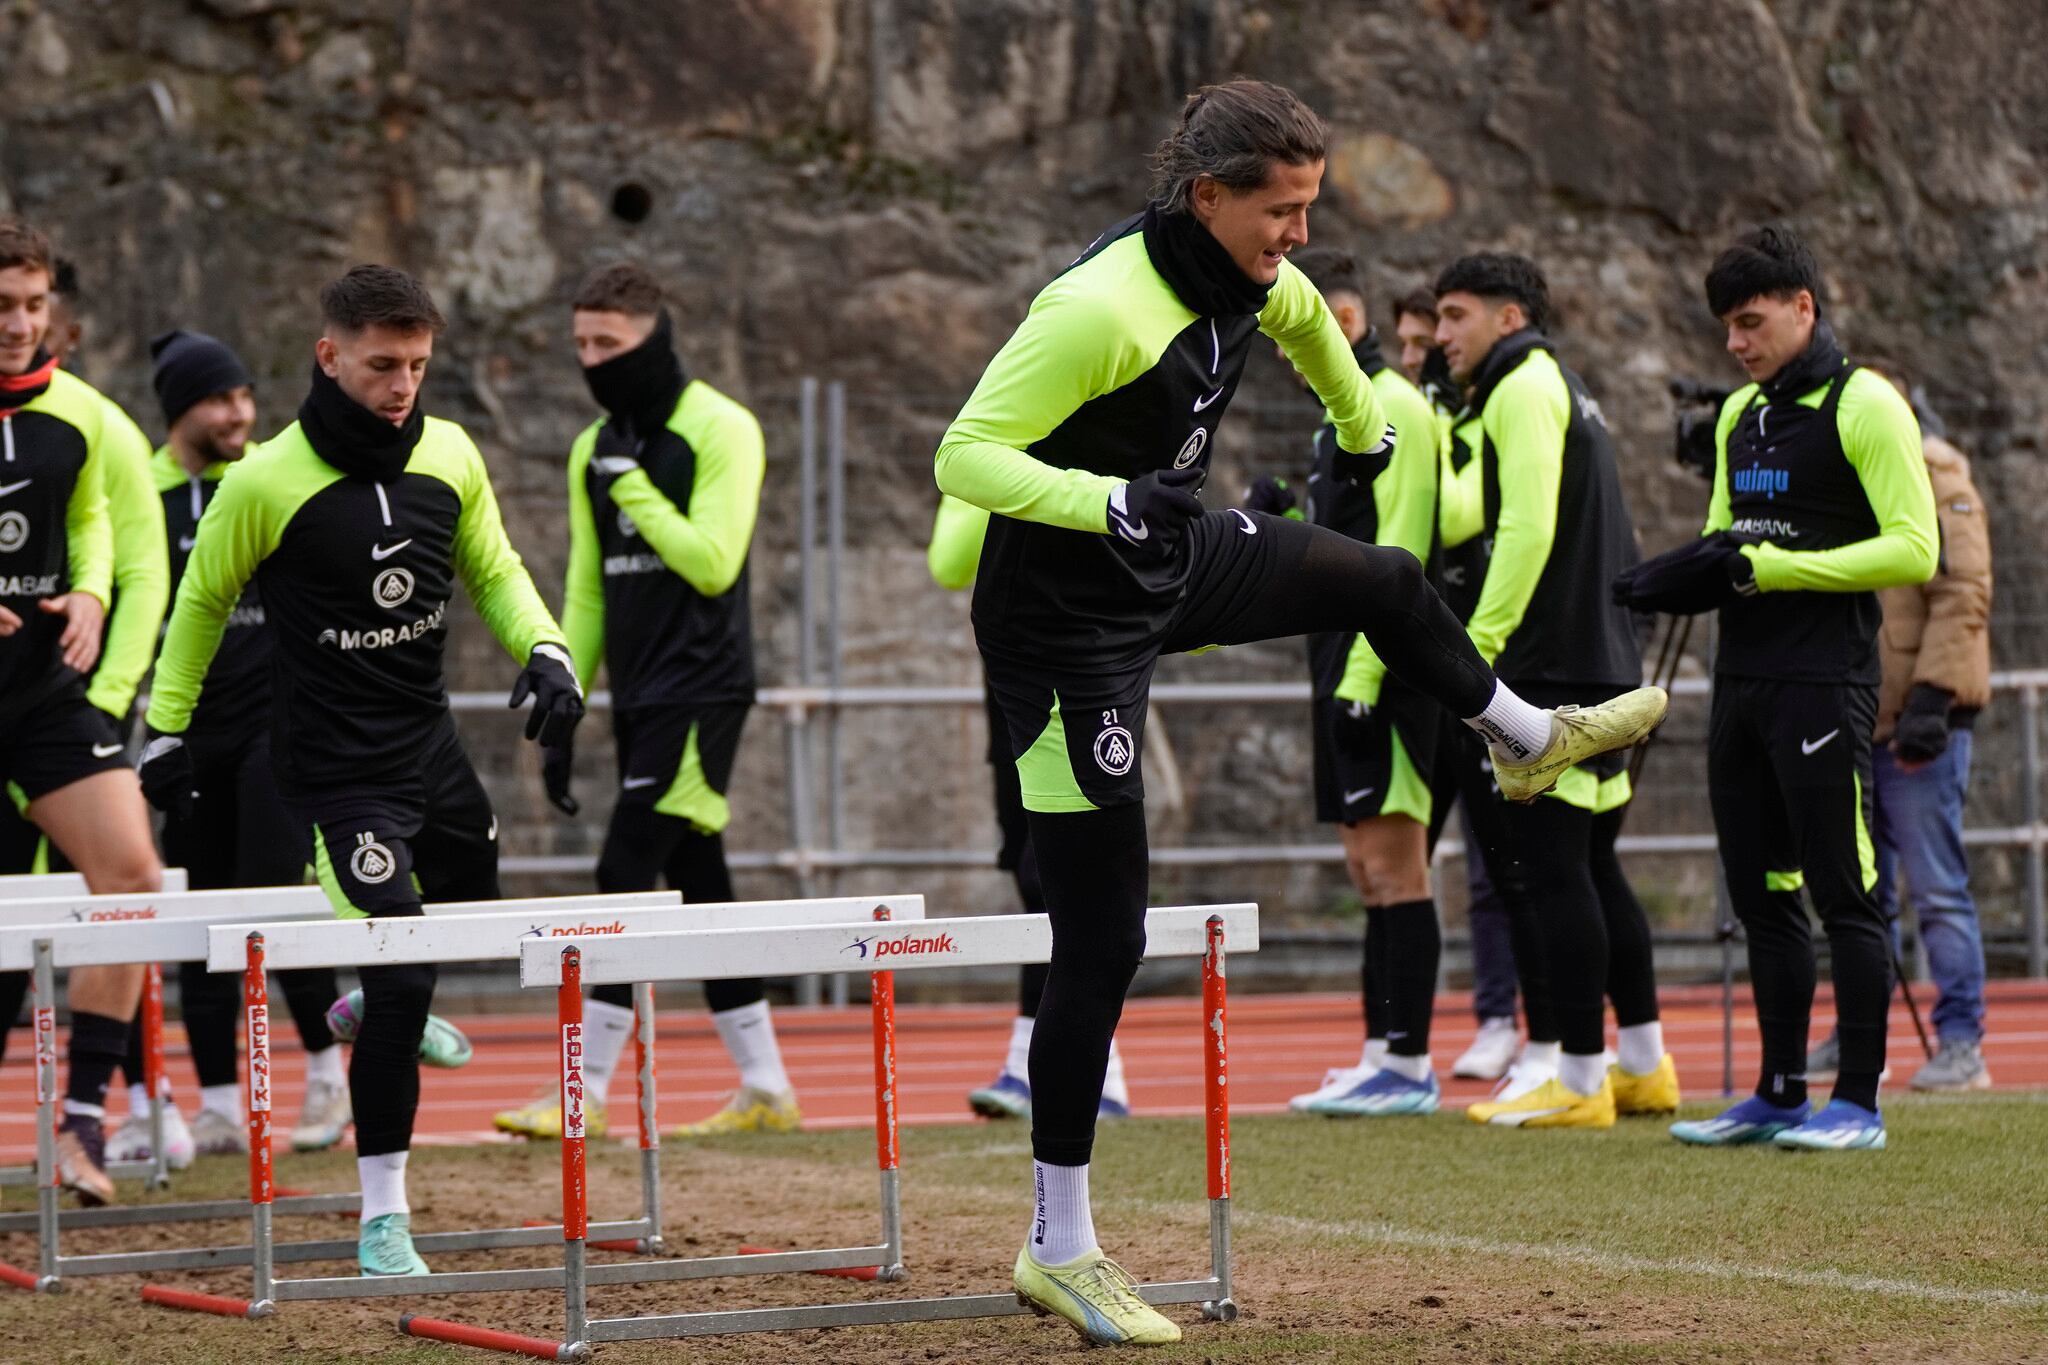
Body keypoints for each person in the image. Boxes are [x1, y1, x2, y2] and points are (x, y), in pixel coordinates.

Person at [934, 81, 1665, 1344]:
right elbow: (962, 457)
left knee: (1379, 576)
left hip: (1167, 562)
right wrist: (1100, 503)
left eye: (1308, 210)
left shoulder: (1255, 280)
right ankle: (1059, 1244)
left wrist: (1363, 428)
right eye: (1278, 211)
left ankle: (1528, 739)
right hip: (1061, 632)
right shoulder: (1097, 309)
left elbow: (1311, 335)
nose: (1297, 237)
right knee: (1101, 934)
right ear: (1204, 197)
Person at [142, 265, 584, 1273]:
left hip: (427, 748)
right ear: (328, 356)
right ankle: (383, 1213)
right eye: (381, 366)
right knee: (404, 974)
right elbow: (202, 603)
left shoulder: (453, 454)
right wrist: (165, 731)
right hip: (334, 776)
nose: (400, 386)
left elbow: (495, 568)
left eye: (418, 366)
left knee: (474, 891)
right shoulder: (265, 481)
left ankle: (364, 1006)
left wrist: (545, 650)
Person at [1643, 226, 1936, 1151]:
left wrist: (1775, 569)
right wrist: (1658, 579)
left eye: (1751, 320)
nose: (1736, 341)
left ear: (1804, 308)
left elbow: (1915, 547)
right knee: (1761, 893)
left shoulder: (1868, 404)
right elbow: (1727, 542)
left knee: (1844, 889)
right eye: (1726, 326)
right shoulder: (1739, 417)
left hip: (1825, 682)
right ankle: (1776, 1090)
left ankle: (1857, 1101)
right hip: (1741, 686)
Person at [496, 261, 799, 1141]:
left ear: (654, 336)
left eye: (609, 344)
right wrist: (566, 696)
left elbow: (713, 558)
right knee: (700, 881)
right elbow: (588, 588)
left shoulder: (720, 427)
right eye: (581, 345)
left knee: (619, 873)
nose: (592, 360)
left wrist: (635, 484)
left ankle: (579, 1090)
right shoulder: (593, 447)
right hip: (639, 693)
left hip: (703, 688)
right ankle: (768, 1086)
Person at [1427, 252, 1677, 1131]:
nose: (1441, 333)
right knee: (1596, 863)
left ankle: (1576, 1075)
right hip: (1601, 655)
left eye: (1455, 314)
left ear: (1506, 316)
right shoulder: (1565, 386)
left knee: (1551, 868)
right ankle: (1642, 1064)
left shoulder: (1520, 386)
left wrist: (1475, 652)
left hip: (1551, 665)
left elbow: (1526, 527)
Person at [107, 332, 356, 1166]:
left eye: (246, 395)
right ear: (181, 410)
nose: (240, 412)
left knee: (273, 899)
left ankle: (327, 1074)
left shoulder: (265, 484)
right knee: (202, 916)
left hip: (276, 731)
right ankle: (218, 1104)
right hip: (189, 736)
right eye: (220, 399)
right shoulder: (139, 489)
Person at [1242, 247, 1448, 1119]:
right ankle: (1378, 1052)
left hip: (1384, 674)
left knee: (1399, 869)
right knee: (1365, 870)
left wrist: (1365, 676)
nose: (1293, 352)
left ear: (1346, 319)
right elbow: (1345, 542)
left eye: (1304, 329)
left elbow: (1400, 553)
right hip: (1336, 664)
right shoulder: (1338, 421)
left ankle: (1410, 1062)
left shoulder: (1393, 406)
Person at [0, 217, 165, 1206]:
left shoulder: (87, 416)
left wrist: (94, 599)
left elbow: (103, 527)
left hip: (43, 694)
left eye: (30, 305)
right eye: (0, 308)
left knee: (135, 875)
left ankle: (83, 1125)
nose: (17, 325)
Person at [1805, 367, 1992, 1093]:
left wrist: (1932, 703)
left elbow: (1962, 591)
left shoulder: (1939, 472)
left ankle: (1962, 1041)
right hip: (1862, 715)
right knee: (1862, 891)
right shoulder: (1859, 474)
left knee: (1937, 888)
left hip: (1919, 724)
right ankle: (1860, 1034)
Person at [928, 493, 1132, 1122]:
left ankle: (1093, 1070)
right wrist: (1000, 471)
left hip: (1082, 674)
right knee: (1037, 884)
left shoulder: (1100, 436)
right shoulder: (996, 441)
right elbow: (949, 561)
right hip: (1014, 683)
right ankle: (1044, 1063)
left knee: (1055, 877)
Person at [1391, 284, 1524, 1083]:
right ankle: (1450, 1029)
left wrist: (1481, 647)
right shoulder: (1416, 420)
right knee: (1422, 852)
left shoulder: (1478, 417)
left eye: (1430, 337)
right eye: (1408, 341)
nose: (1418, 354)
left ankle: (1514, 1021)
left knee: (1497, 856)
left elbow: (1472, 517)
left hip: (1475, 664)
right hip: (1428, 672)